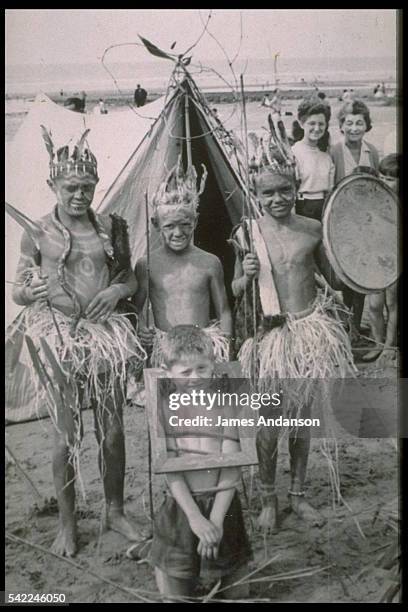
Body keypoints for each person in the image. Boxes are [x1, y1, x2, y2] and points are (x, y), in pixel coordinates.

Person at [9, 129, 146, 557]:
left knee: (112, 431)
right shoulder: (36, 232)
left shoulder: (111, 227)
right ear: (54, 185)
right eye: (71, 187)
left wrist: (116, 292)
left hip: (104, 339)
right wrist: (28, 293)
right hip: (59, 338)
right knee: (66, 435)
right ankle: (67, 525)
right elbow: (19, 287)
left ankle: (114, 510)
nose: (79, 194)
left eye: (87, 186)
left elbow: (130, 278)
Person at [231, 116, 356, 532]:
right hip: (271, 337)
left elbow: (334, 279)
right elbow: (233, 290)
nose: (278, 198)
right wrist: (245, 275)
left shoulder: (311, 229)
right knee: (269, 424)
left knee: (301, 420)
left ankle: (298, 495)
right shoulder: (247, 234)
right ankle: (269, 498)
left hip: (307, 333)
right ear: (256, 194)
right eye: (269, 192)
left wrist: (352, 252)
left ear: (296, 187)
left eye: (285, 189)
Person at [149, 325, 251, 601]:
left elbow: (232, 464)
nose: (195, 378)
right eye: (185, 372)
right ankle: (163, 565)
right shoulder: (166, 409)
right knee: (176, 595)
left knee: (238, 593)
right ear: (167, 371)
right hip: (182, 507)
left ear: (213, 366)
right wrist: (195, 518)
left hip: (223, 505)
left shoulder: (224, 404)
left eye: (202, 369)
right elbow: (172, 472)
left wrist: (215, 521)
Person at [133, 159, 232, 365]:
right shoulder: (146, 264)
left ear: (195, 221)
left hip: (204, 347)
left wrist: (225, 349)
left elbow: (223, 310)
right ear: (156, 224)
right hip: (165, 349)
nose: (178, 233)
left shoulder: (209, 262)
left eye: (185, 224)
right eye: (169, 226)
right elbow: (137, 309)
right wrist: (141, 328)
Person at [330, 99, 380, 339]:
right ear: (341, 125)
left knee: (360, 274)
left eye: (359, 123)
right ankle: (346, 323)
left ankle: (356, 326)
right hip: (341, 221)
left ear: (366, 125)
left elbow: (377, 188)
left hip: (364, 223)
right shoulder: (334, 151)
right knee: (343, 277)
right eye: (349, 123)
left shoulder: (372, 151)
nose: (354, 128)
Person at [362, 154, 399, 365]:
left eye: (391, 179)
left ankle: (390, 345)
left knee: (391, 303)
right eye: (382, 177)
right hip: (374, 257)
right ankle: (377, 342)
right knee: (374, 304)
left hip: (394, 259)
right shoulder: (373, 198)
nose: (385, 182)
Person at [291, 96, 334, 220]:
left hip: (324, 208)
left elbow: (330, 189)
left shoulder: (326, 156)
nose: (317, 128)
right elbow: (291, 190)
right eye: (312, 123)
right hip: (302, 208)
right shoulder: (294, 153)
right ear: (301, 123)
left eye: (321, 124)